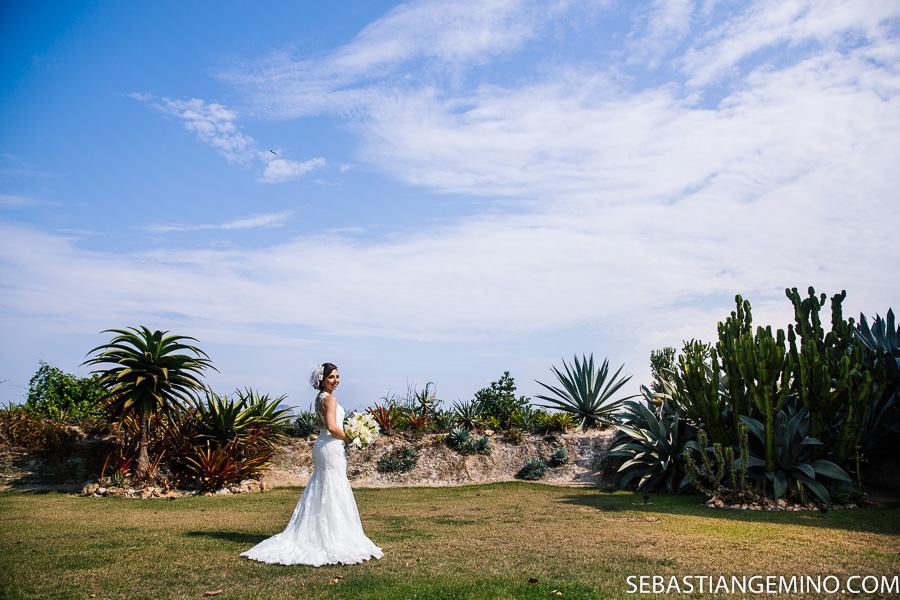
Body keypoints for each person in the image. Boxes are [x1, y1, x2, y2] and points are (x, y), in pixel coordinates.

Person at [240, 363, 383, 566]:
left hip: (321, 446)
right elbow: (333, 427)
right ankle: (334, 537)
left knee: (323, 488)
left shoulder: (319, 398)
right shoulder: (330, 399)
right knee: (334, 488)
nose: (336, 380)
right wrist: (350, 438)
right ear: (322, 380)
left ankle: (318, 533)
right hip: (331, 448)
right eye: (331, 377)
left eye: (337, 376)